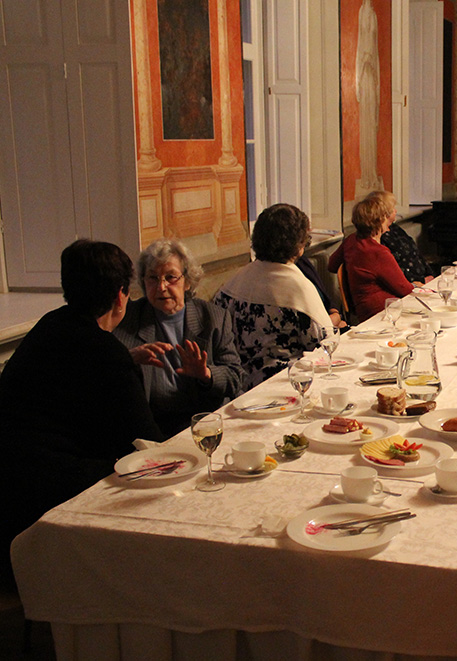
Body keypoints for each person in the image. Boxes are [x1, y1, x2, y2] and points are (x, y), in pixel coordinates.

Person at [0, 240, 162, 581]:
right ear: (120, 296)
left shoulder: (49, 325)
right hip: (52, 505)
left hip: (8, 491)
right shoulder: (107, 354)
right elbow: (147, 446)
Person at [113, 239, 245, 436]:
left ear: (187, 281)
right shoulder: (128, 320)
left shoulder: (213, 317)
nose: (161, 287)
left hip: (206, 422)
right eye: (153, 278)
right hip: (154, 427)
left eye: (170, 277)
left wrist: (206, 374)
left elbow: (236, 378)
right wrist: (129, 359)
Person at [214, 203, 336, 388]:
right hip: (288, 385)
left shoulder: (235, 281)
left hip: (240, 386)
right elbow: (325, 343)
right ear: (299, 246)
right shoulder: (297, 287)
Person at [328, 190, 416, 321]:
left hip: (362, 308)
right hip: (382, 313)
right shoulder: (378, 252)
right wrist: (416, 286)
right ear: (380, 220)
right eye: (385, 216)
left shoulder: (351, 240)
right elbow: (405, 289)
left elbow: (332, 265)